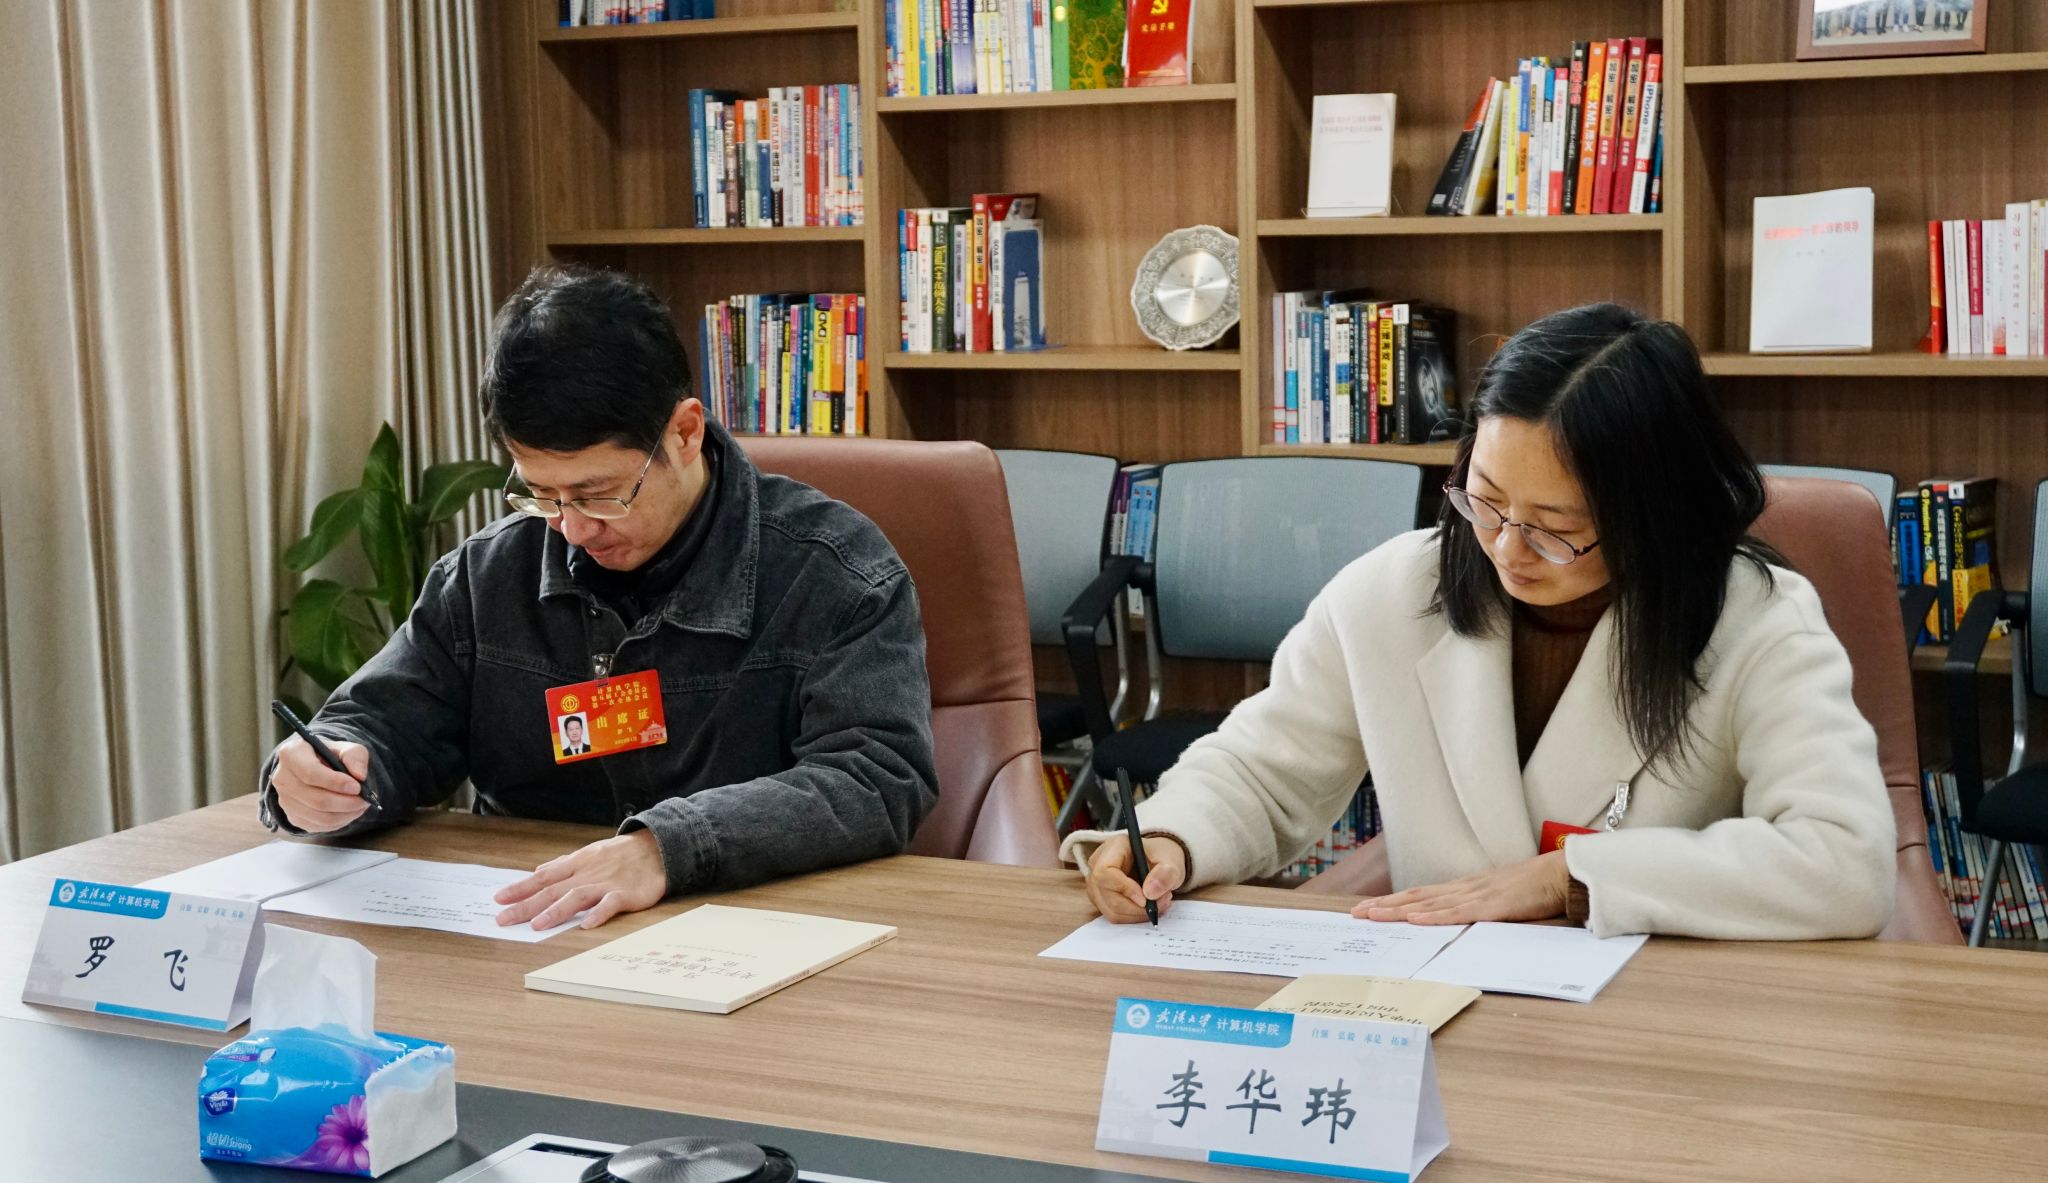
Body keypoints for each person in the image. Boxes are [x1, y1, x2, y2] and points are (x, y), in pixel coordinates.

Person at [1066, 304, 1896, 940]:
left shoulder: (1754, 620)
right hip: (1436, 996)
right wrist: (1171, 839)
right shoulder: (1393, 590)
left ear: (1654, 512)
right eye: (1486, 501)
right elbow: (1263, 770)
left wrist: (1572, 877)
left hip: (1658, 1013)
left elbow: (1843, 861)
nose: (1506, 548)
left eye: (1555, 526)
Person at [261, 265, 939, 930]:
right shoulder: (487, 576)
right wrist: (327, 771)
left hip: (759, 933)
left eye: (599, 494)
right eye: (541, 493)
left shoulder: (834, 573)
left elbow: (876, 777)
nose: (573, 529)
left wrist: (667, 848)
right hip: (532, 927)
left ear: (685, 432)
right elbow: (381, 725)